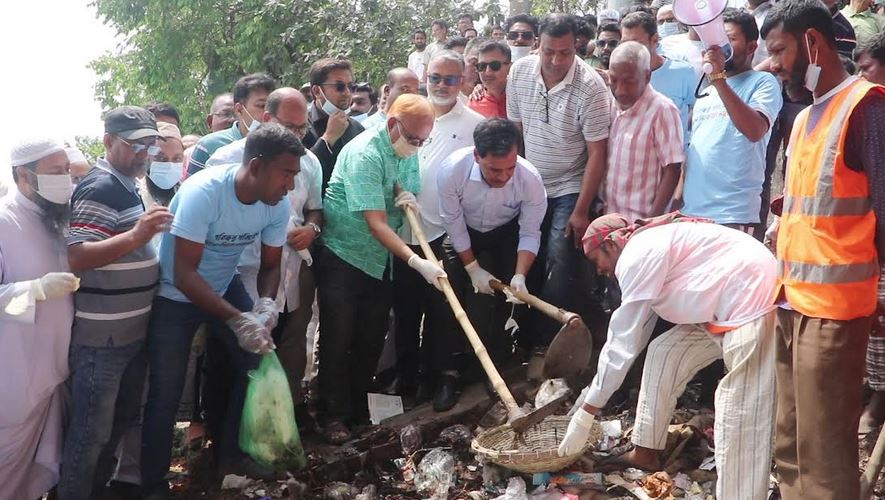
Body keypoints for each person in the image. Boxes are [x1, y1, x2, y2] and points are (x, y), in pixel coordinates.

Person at [558, 214, 778, 500]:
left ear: (610, 245)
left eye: (594, 259)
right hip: (718, 308)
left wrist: (587, 412)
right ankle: (646, 452)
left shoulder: (636, 254)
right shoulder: (649, 249)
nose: (598, 269)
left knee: (739, 411)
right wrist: (589, 402)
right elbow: (640, 331)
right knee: (665, 353)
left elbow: (622, 342)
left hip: (751, 302)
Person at [762, 0, 885, 497]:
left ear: (812, 43)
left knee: (825, 449)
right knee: (790, 442)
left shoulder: (867, 107)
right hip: (792, 302)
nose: (772, 63)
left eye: (778, 50)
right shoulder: (805, 118)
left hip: (835, 311)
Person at [140, 124, 302, 496]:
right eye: (286, 174)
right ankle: (152, 485)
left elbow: (272, 264)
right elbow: (183, 274)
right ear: (257, 167)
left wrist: (264, 305)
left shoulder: (276, 204)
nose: (291, 185)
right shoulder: (205, 194)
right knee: (165, 392)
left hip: (223, 285)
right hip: (175, 295)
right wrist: (236, 318)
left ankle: (230, 457)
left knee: (255, 362)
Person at [317, 94, 444, 444]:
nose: (417, 146)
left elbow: (408, 186)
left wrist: (408, 200)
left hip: (379, 261)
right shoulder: (364, 154)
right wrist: (416, 261)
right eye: (413, 138)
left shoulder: (408, 150)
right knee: (338, 337)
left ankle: (358, 411)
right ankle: (331, 415)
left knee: (371, 337)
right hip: (345, 253)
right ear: (393, 125)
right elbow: (375, 222)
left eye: (423, 140)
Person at [59, 106, 170, 500]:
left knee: (118, 424)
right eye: (136, 145)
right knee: (91, 434)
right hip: (100, 338)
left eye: (150, 145)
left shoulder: (127, 183)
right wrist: (138, 236)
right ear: (107, 142)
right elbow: (77, 256)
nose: (145, 154)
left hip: (129, 334)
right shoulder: (100, 186)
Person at [205, 88, 323, 418]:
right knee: (233, 352)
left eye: (303, 128)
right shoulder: (227, 158)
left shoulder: (309, 161)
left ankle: (278, 420)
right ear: (267, 119)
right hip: (236, 270)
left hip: (287, 266)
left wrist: (311, 230)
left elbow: (316, 209)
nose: (298, 135)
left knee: (286, 341)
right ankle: (225, 431)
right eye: (290, 126)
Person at [506, 13, 611, 351]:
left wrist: (581, 210)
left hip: (570, 185)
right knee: (527, 257)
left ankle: (557, 344)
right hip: (530, 182)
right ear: (537, 44)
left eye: (565, 52)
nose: (556, 60)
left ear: (576, 47)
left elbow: (598, 153)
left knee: (560, 259)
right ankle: (526, 339)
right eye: (549, 51)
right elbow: (517, 133)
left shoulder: (591, 86)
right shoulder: (519, 73)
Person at [393, 50, 485, 412]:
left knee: (444, 310)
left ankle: (443, 376)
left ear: (462, 82)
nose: (442, 86)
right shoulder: (408, 117)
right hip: (405, 231)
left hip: (448, 232)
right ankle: (408, 378)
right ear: (425, 79)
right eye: (435, 78)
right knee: (405, 309)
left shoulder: (475, 125)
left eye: (450, 79)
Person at [436, 119, 548, 410]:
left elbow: (530, 232)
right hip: (465, 232)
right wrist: (472, 268)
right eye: (494, 170)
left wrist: (520, 275)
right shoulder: (452, 170)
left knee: (502, 303)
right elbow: (454, 225)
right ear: (477, 156)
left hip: (505, 233)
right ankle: (448, 373)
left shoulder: (530, 179)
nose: (503, 177)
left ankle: (492, 367)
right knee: (451, 300)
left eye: (510, 169)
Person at [0, 138, 78, 500]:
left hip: (51, 376)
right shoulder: (4, 222)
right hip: (13, 384)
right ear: (23, 177)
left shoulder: (56, 219)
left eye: (66, 171)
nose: (65, 179)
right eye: (55, 173)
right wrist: (33, 291)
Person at [681, 8, 783, 238]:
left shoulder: (763, 82)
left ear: (751, 48)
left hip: (733, 215)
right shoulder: (707, 91)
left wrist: (718, 80)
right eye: (717, 39)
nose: (721, 46)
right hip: (692, 214)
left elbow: (755, 130)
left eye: (731, 39)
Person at [604, 42, 684, 221]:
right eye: (614, 80)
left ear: (647, 76)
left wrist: (648, 222)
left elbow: (672, 170)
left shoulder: (662, 110)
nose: (620, 89)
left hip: (640, 222)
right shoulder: (610, 104)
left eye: (629, 81)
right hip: (608, 220)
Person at [620, 12, 697, 147]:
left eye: (637, 43)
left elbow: (696, 110)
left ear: (655, 40)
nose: (630, 50)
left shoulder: (683, 72)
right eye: (625, 43)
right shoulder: (619, 76)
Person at [188, 74, 277, 175]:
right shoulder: (209, 145)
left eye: (273, 106)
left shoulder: (281, 145)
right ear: (239, 109)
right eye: (262, 106)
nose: (268, 113)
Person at [302, 58, 365, 190]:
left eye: (350, 86)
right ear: (317, 91)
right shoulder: (299, 126)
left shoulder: (358, 129)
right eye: (339, 87)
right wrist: (328, 139)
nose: (347, 93)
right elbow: (301, 174)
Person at [469, 40, 512, 118]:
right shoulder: (474, 104)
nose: (488, 72)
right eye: (482, 66)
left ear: (509, 67)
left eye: (495, 65)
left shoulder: (521, 97)